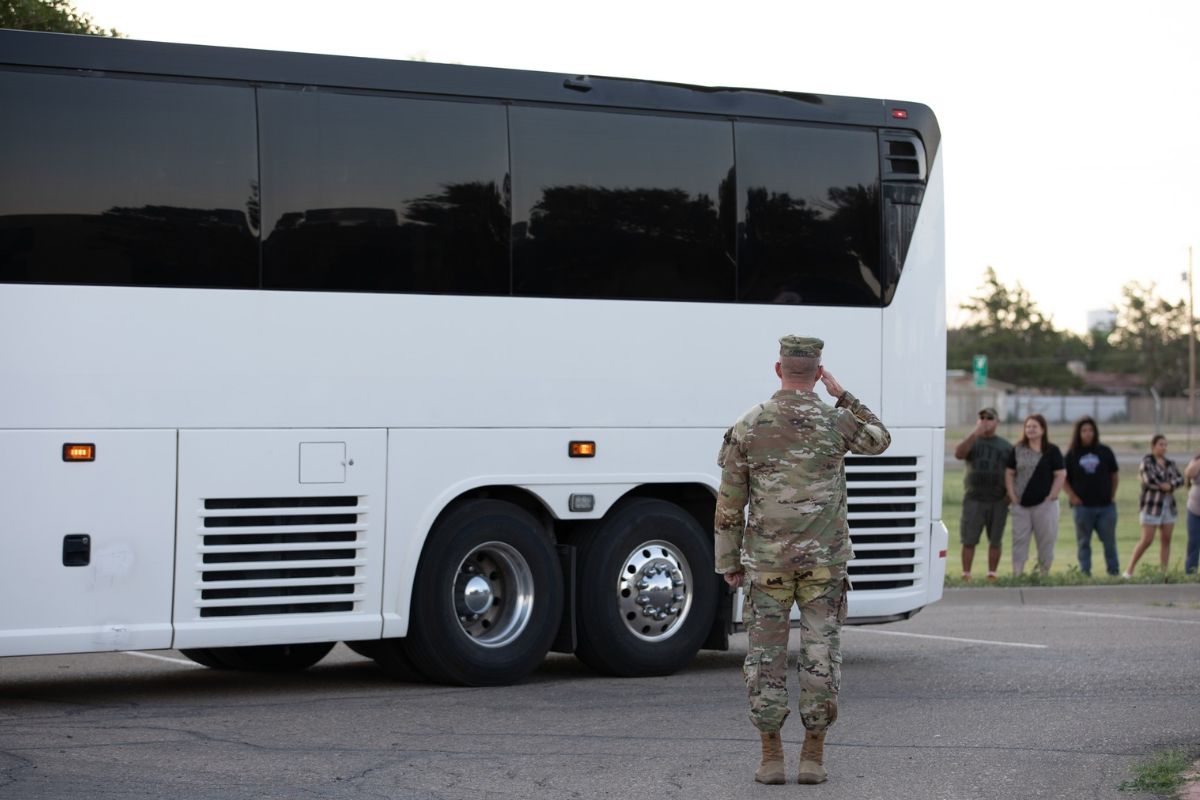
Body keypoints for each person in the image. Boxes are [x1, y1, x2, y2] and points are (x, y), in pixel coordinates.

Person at [714, 335, 890, 786]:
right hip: (824, 568)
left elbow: (730, 502)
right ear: (817, 372)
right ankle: (813, 758)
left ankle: (771, 758)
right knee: (819, 659)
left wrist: (728, 562)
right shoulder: (837, 421)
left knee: (765, 661)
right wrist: (844, 395)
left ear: (778, 369)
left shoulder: (749, 424)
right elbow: (881, 439)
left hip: (767, 567)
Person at [953, 407, 1012, 581]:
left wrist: (1010, 493)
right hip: (974, 498)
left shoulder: (1005, 446)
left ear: (997, 422)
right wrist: (975, 432)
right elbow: (959, 454)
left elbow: (1012, 471)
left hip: (998, 499)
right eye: (982, 418)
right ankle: (966, 574)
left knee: (995, 539)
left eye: (989, 418)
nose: (985, 421)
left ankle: (992, 574)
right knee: (969, 539)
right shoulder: (972, 441)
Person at [1004, 414, 1066, 575]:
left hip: (1045, 506)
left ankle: (1043, 574)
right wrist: (1012, 495)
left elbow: (1060, 474)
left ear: (1043, 429)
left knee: (1046, 542)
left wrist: (1052, 495)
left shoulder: (1052, 450)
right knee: (1019, 541)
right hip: (1021, 506)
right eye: (1028, 427)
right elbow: (1009, 473)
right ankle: (1017, 575)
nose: (1030, 430)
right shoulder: (1017, 449)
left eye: (1034, 427)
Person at [1063, 416, 1120, 576]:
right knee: (1083, 543)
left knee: (1109, 543)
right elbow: (1062, 478)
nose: (1088, 433)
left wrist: (1112, 495)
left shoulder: (1105, 451)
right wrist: (1071, 496)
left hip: (1105, 507)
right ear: (1078, 433)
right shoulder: (1072, 454)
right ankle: (1084, 573)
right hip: (1083, 507)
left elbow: (1114, 475)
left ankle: (1114, 572)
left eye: (1090, 430)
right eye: (1084, 430)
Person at [1123, 435, 1183, 577]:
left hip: (1168, 506)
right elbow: (1148, 479)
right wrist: (1164, 485)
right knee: (1147, 540)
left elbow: (1179, 479)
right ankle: (1129, 570)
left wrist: (1171, 485)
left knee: (1166, 539)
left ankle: (1164, 572)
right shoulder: (1147, 462)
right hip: (1152, 506)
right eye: (1161, 444)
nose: (1164, 447)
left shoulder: (1170, 463)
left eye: (1165, 445)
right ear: (1153, 446)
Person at [1185, 451, 1200, 575]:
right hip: (1194, 510)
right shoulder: (1196, 460)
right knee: (1193, 542)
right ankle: (1191, 573)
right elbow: (1189, 473)